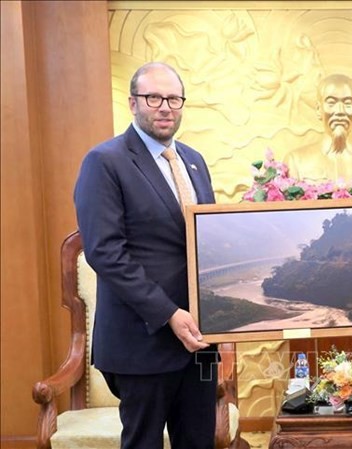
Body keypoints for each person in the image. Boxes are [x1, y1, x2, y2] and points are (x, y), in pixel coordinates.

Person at [74, 62, 219, 449]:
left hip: (200, 343)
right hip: (143, 341)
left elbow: (207, 242)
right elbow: (105, 253)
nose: (165, 107)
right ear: (133, 103)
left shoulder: (194, 161)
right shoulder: (105, 162)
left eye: (174, 98)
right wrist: (169, 314)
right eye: (153, 98)